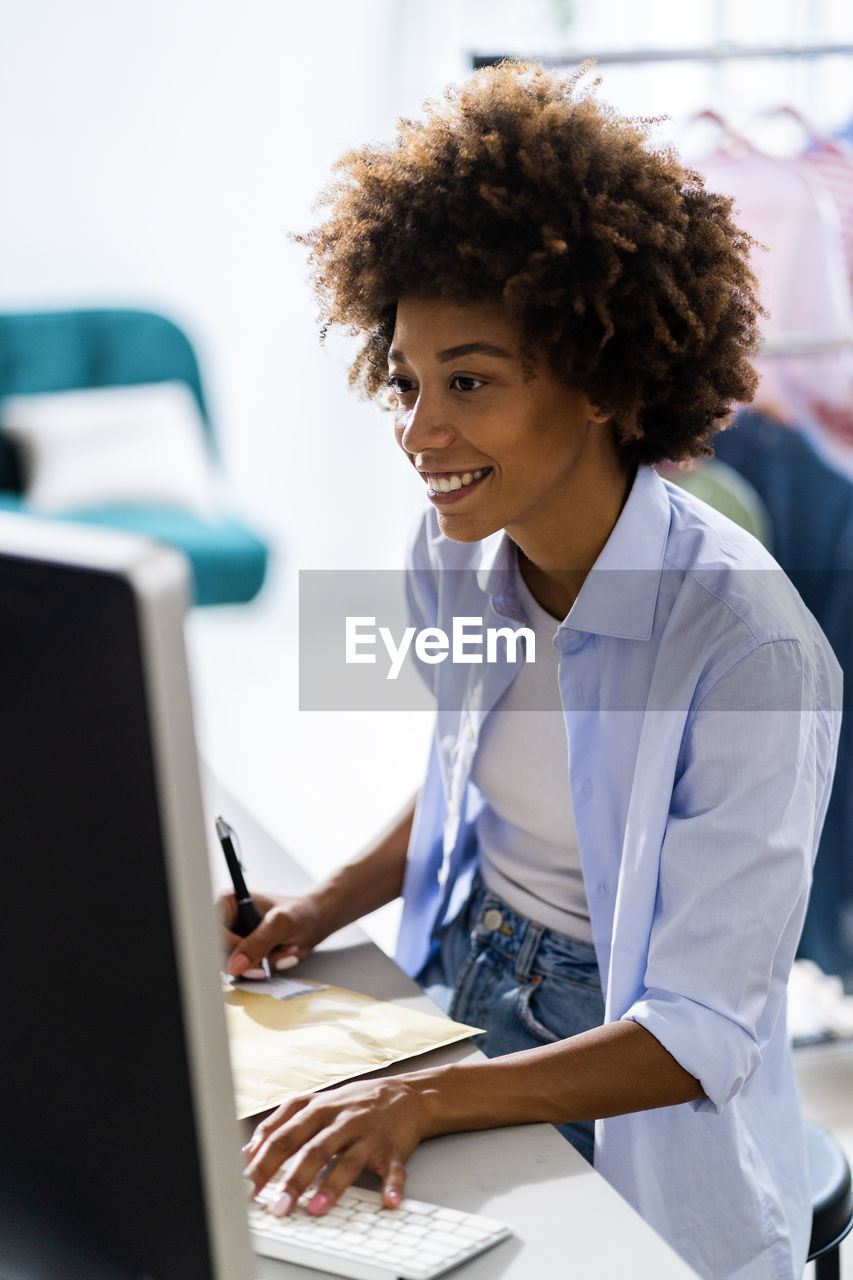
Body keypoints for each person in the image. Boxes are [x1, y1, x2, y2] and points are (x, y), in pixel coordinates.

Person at [224, 62, 842, 1279]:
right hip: (467, 966)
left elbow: (699, 1027)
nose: (417, 431)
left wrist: (425, 1102)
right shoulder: (454, 553)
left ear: (606, 380)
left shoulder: (749, 646)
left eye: (470, 382)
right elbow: (478, 779)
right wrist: (312, 908)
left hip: (620, 1041)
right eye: (407, 381)